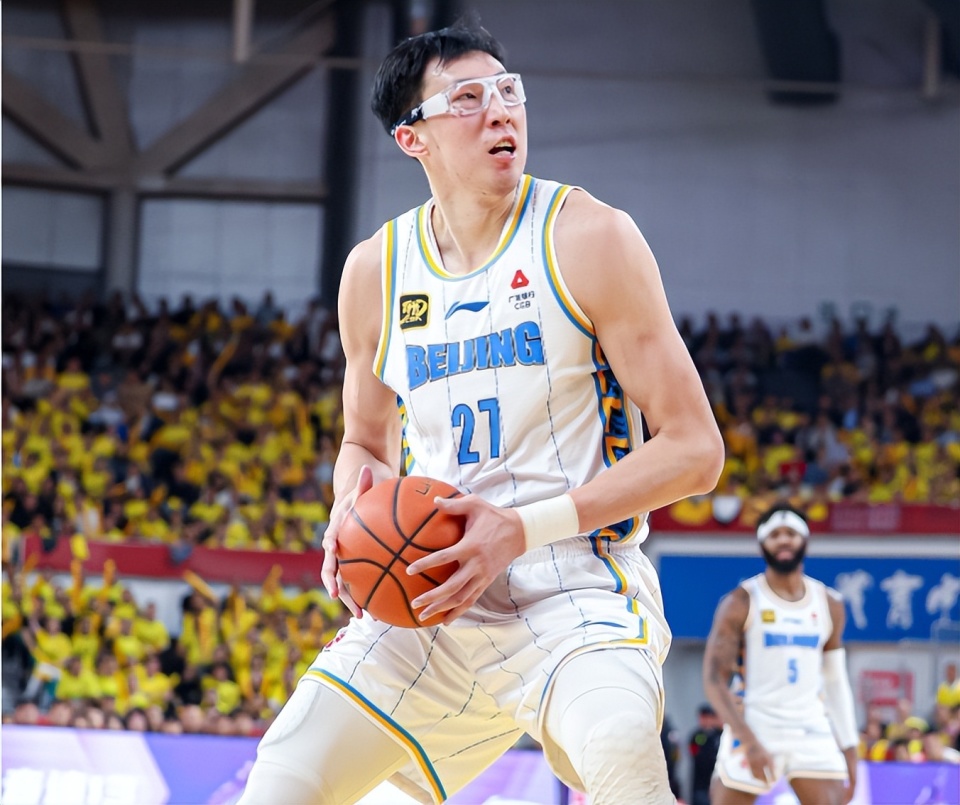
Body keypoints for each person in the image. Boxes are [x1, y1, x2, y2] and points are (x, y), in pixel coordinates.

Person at [239, 17, 723, 805]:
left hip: (574, 588)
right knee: (283, 780)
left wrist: (520, 529)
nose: (500, 111)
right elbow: (365, 442)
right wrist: (348, 507)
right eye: (467, 98)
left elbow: (697, 450)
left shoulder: (590, 236)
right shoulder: (375, 271)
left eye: (508, 91)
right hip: (428, 592)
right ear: (412, 138)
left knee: (623, 759)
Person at [702, 503, 859, 805]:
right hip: (755, 724)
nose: (784, 540)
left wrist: (850, 748)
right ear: (762, 544)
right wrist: (747, 740)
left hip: (809, 726)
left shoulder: (829, 603)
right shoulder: (741, 601)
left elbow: (836, 681)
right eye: (775, 535)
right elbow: (713, 680)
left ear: (805, 540)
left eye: (791, 533)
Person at [687, 703, 723, 805]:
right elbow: (694, 752)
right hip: (700, 782)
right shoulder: (697, 736)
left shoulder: (719, 735)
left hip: (715, 779)